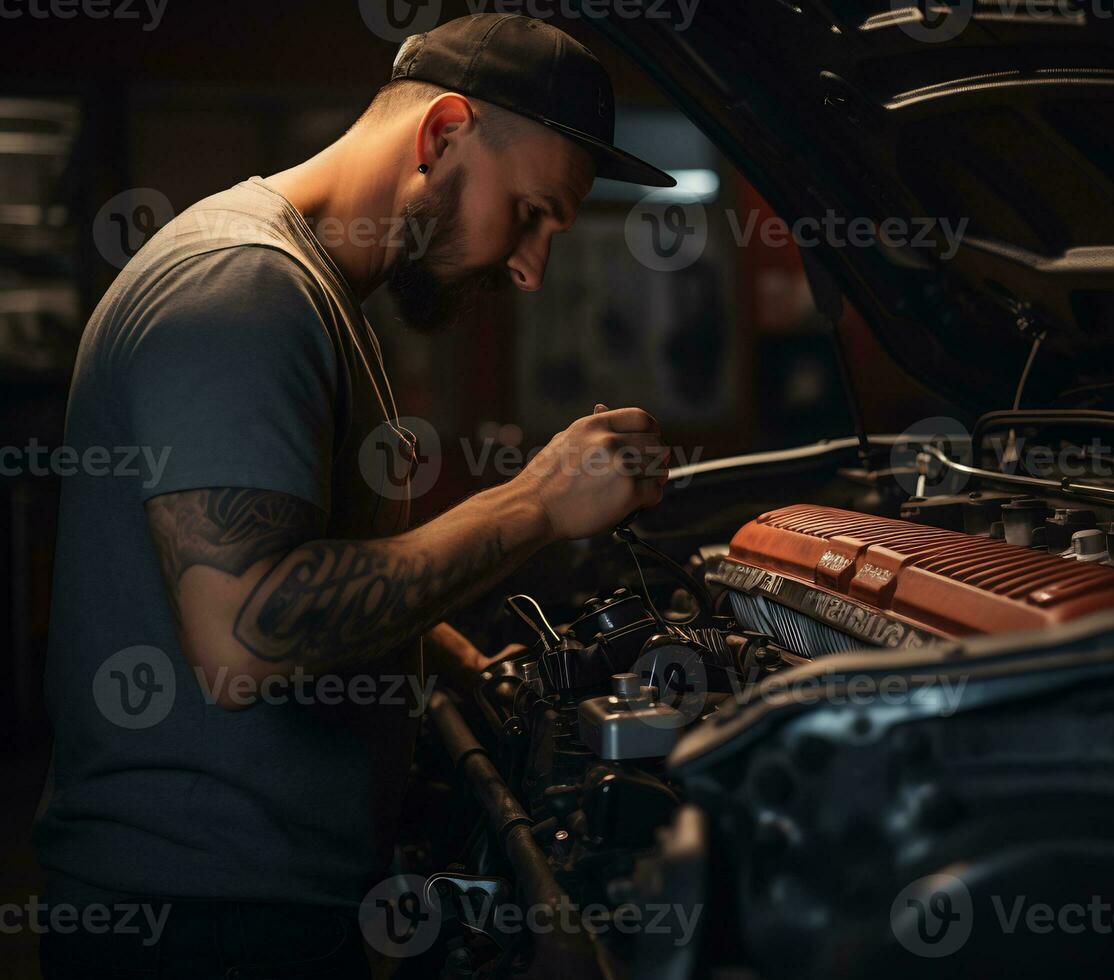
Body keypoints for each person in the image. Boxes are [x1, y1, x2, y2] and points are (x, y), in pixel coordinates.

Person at [35, 13, 676, 978]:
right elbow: (248, 634)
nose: (532, 267)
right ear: (444, 133)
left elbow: (311, 559)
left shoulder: (310, 294)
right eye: (533, 211)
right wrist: (537, 501)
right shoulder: (244, 286)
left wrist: (458, 660)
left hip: (251, 905)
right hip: (205, 928)